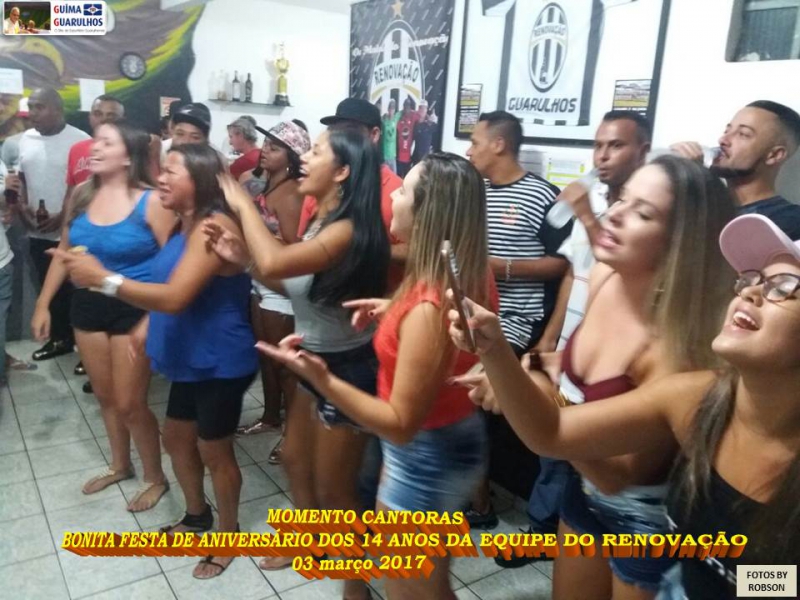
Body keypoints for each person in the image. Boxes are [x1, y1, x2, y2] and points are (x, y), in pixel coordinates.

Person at [450, 212, 800, 599]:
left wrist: (728, 585)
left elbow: (778, 580)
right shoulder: (698, 398)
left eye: (784, 287)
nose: (751, 292)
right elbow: (551, 433)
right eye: (751, 279)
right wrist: (495, 349)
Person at [260, 152, 497, 600]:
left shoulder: (428, 304)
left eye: (404, 191)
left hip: (425, 451)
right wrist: (392, 309)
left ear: (427, 213)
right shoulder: (458, 271)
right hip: (445, 438)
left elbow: (399, 422)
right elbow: (443, 335)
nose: (393, 199)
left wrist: (324, 380)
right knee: (421, 581)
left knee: (413, 588)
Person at [203, 124, 389, 599]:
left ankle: (356, 589)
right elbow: (294, 285)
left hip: (346, 369)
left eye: (318, 152)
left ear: (342, 172)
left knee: (337, 493)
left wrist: (242, 202)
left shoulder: (347, 229)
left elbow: (276, 265)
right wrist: (245, 260)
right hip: (315, 360)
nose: (304, 158)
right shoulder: (322, 221)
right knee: (291, 457)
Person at [56, 143, 258, 580]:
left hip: (220, 359)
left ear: (199, 179)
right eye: (160, 170)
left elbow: (176, 295)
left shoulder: (213, 226)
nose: (160, 179)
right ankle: (197, 515)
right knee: (178, 440)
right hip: (190, 355)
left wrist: (104, 280)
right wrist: (147, 323)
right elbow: (172, 284)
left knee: (214, 450)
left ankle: (229, 535)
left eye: (170, 171)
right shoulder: (185, 224)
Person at [33, 120, 172, 510]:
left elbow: (173, 265)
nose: (95, 148)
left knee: (131, 403)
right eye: (95, 141)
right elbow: (65, 252)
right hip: (87, 306)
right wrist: (43, 303)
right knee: (106, 397)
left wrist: (156, 317)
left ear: (128, 156)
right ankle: (120, 465)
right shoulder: (82, 193)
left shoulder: (152, 201)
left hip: (135, 307)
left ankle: (155, 476)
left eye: (107, 143)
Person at [464, 110, 570, 530]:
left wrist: (501, 268)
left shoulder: (542, 195)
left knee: (469, 391)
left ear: (499, 144)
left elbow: (563, 264)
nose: (469, 151)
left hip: (516, 317)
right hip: (476, 309)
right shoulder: (477, 192)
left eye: (475, 142)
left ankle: (480, 502)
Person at [236, 121, 310, 468]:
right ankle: (270, 416)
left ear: (292, 156)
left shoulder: (292, 192)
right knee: (266, 357)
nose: (265, 150)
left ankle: (294, 435)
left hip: (280, 287)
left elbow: (294, 251)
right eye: (266, 144)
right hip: (259, 279)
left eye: (275, 147)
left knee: (286, 368)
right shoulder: (267, 184)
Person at [13, 88, 90, 362]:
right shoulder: (26, 140)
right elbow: (21, 178)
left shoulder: (81, 141)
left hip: (74, 231)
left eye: (40, 107)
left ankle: (87, 348)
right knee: (50, 288)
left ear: (58, 109)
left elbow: (89, 187)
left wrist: (63, 216)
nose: (32, 113)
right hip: (37, 229)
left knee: (81, 291)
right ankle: (60, 339)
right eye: (31, 107)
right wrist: (23, 206)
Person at [299, 98, 406, 291]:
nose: (341, 138)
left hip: (380, 301)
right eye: (336, 131)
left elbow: (419, 251)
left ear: (374, 134)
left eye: (350, 131)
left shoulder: (398, 191)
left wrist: (366, 250)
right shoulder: (319, 186)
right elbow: (300, 245)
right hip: (317, 296)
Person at [671, 100, 800, 239]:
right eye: (727, 131)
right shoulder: (703, 206)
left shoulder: (791, 221)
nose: (723, 140)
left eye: (743, 134)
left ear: (774, 155)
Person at [396, 97, 419, 178]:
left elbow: (421, 115)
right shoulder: (399, 118)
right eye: (405, 106)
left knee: (406, 178)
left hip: (408, 156)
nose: (407, 108)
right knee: (398, 178)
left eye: (408, 106)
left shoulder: (413, 116)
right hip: (399, 156)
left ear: (410, 107)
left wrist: (428, 117)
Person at [411, 100, 437, 165]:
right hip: (416, 157)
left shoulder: (430, 123)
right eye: (421, 108)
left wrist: (432, 120)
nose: (422, 110)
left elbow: (435, 130)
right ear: (418, 109)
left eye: (424, 108)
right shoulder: (415, 123)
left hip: (425, 158)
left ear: (426, 109)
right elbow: (412, 137)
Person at [382, 99, 400, 173]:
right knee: (385, 176)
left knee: (394, 175)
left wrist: (427, 116)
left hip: (393, 155)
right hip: (385, 155)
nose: (391, 110)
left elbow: (405, 111)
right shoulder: (383, 121)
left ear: (394, 110)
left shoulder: (396, 118)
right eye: (390, 108)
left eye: (393, 108)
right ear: (388, 109)